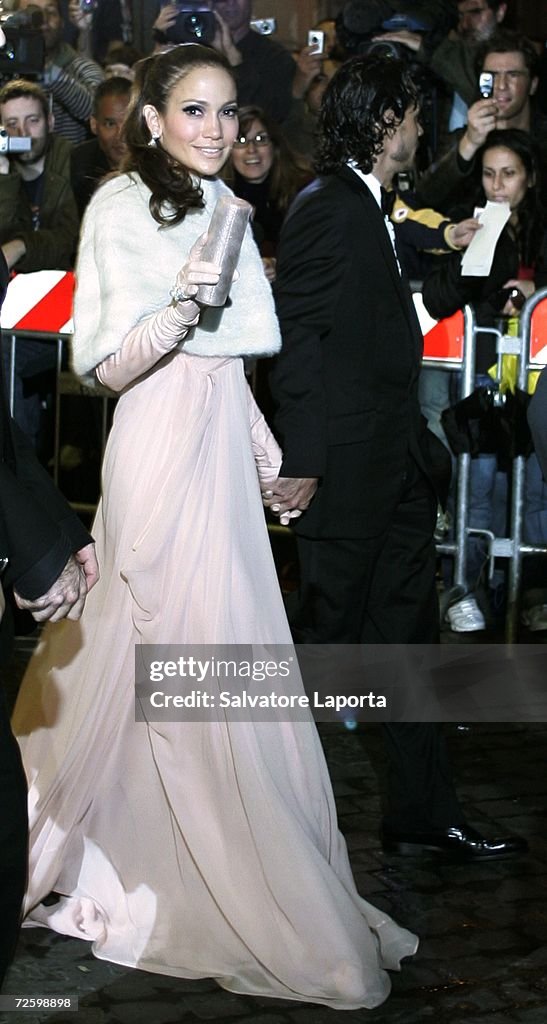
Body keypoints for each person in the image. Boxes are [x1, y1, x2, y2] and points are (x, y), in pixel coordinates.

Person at [12, 44, 420, 1009]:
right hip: (155, 458)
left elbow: (230, 365)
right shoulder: (118, 208)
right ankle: (156, 854)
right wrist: (183, 305)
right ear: (150, 118)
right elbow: (105, 366)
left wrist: (271, 461)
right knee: (161, 642)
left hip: (221, 470)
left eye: (228, 111)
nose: (216, 129)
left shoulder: (229, 208)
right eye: (194, 111)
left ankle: (216, 844)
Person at [267, 54, 527, 860]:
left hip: (394, 469)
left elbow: (394, 317)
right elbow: (298, 341)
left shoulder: (373, 207)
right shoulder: (328, 207)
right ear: (384, 121)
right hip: (342, 474)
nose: (421, 128)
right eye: (414, 115)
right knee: (324, 650)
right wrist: (303, 460)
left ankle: (421, 809)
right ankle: (264, 825)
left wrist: (471, 274)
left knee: (411, 647)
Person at [422, 129, 547, 631]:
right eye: (490, 174)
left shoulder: (541, 230)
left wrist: (538, 291)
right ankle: (467, 587)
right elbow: (447, 288)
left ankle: (534, 588)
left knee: (535, 486)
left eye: (509, 174)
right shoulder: (468, 228)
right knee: (475, 479)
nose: (498, 186)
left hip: (538, 377)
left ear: (530, 179)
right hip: (481, 368)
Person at [0, 77, 79, 450]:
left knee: (9, 353)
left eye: (31, 121)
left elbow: (66, 242)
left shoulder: (72, 165)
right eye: (11, 125)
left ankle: (21, 466)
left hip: (70, 317)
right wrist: (3, 176)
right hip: (22, 314)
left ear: (49, 121)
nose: (22, 133)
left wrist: (19, 246)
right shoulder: (6, 173)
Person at [225, 104, 311, 281]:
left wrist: (279, 264)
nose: (251, 149)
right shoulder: (221, 198)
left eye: (260, 139)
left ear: (275, 146)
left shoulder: (305, 192)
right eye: (240, 141)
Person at [14, 0, 104, 144]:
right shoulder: (5, 69)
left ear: (62, 22)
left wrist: (48, 71)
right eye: (32, 14)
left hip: (68, 162)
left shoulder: (81, 67)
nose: (43, 20)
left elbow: (98, 112)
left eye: (50, 12)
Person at [70, 75, 131, 218]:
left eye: (128, 123)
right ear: (94, 125)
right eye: (110, 124)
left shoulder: (159, 166)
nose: (120, 135)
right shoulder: (77, 164)